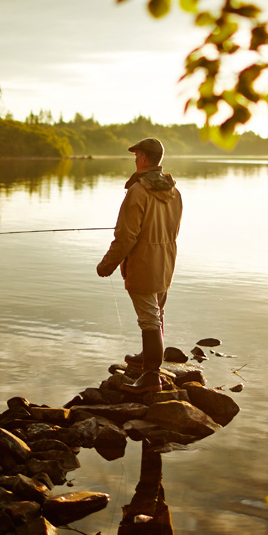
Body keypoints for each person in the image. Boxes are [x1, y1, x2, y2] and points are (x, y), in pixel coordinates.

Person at [96, 137, 183, 393]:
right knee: (156, 314)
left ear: (144, 158)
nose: (135, 159)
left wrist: (107, 265)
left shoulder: (138, 191)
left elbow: (126, 237)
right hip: (166, 262)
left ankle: (151, 376)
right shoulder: (174, 191)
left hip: (144, 265)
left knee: (149, 319)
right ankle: (148, 357)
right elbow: (172, 229)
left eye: (137, 155)